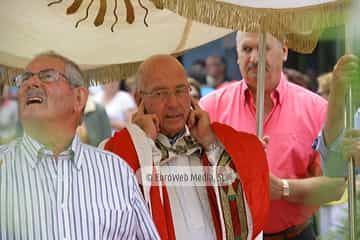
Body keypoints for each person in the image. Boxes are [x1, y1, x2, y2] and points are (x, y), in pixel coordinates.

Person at [103, 54, 270, 239]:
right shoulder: (117, 151)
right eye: (160, 93)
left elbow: (251, 198)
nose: (173, 103)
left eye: (181, 91)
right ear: (138, 98)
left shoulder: (212, 140)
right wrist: (142, 141)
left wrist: (210, 142)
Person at [200, 32, 346, 240]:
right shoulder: (210, 108)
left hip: (294, 235)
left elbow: (335, 187)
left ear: (284, 52)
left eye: (263, 49)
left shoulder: (315, 109)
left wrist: (283, 189)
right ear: (236, 56)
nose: (255, 58)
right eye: (247, 49)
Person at [0, 52, 159, 239]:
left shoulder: (117, 172)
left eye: (47, 76)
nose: (31, 84)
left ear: (78, 98)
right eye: (24, 78)